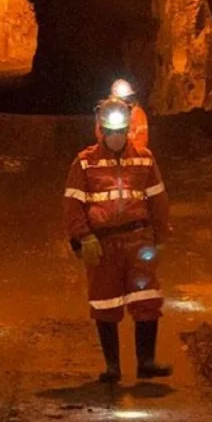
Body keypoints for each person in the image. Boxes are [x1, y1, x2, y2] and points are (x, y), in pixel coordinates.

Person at [64, 97, 172, 383]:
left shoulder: (144, 158)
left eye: (119, 132)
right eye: (109, 132)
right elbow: (73, 204)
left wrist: (161, 234)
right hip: (102, 244)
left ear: (127, 130)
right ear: (101, 130)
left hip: (138, 239)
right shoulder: (85, 162)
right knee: (105, 302)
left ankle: (146, 362)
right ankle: (112, 366)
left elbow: (158, 199)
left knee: (146, 297)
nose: (114, 138)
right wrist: (83, 236)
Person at [95, 79, 149, 149]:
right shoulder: (105, 112)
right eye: (121, 99)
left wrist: (131, 154)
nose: (125, 101)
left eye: (127, 98)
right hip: (109, 154)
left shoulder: (138, 113)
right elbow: (100, 135)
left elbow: (142, 138)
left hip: (131, 154)